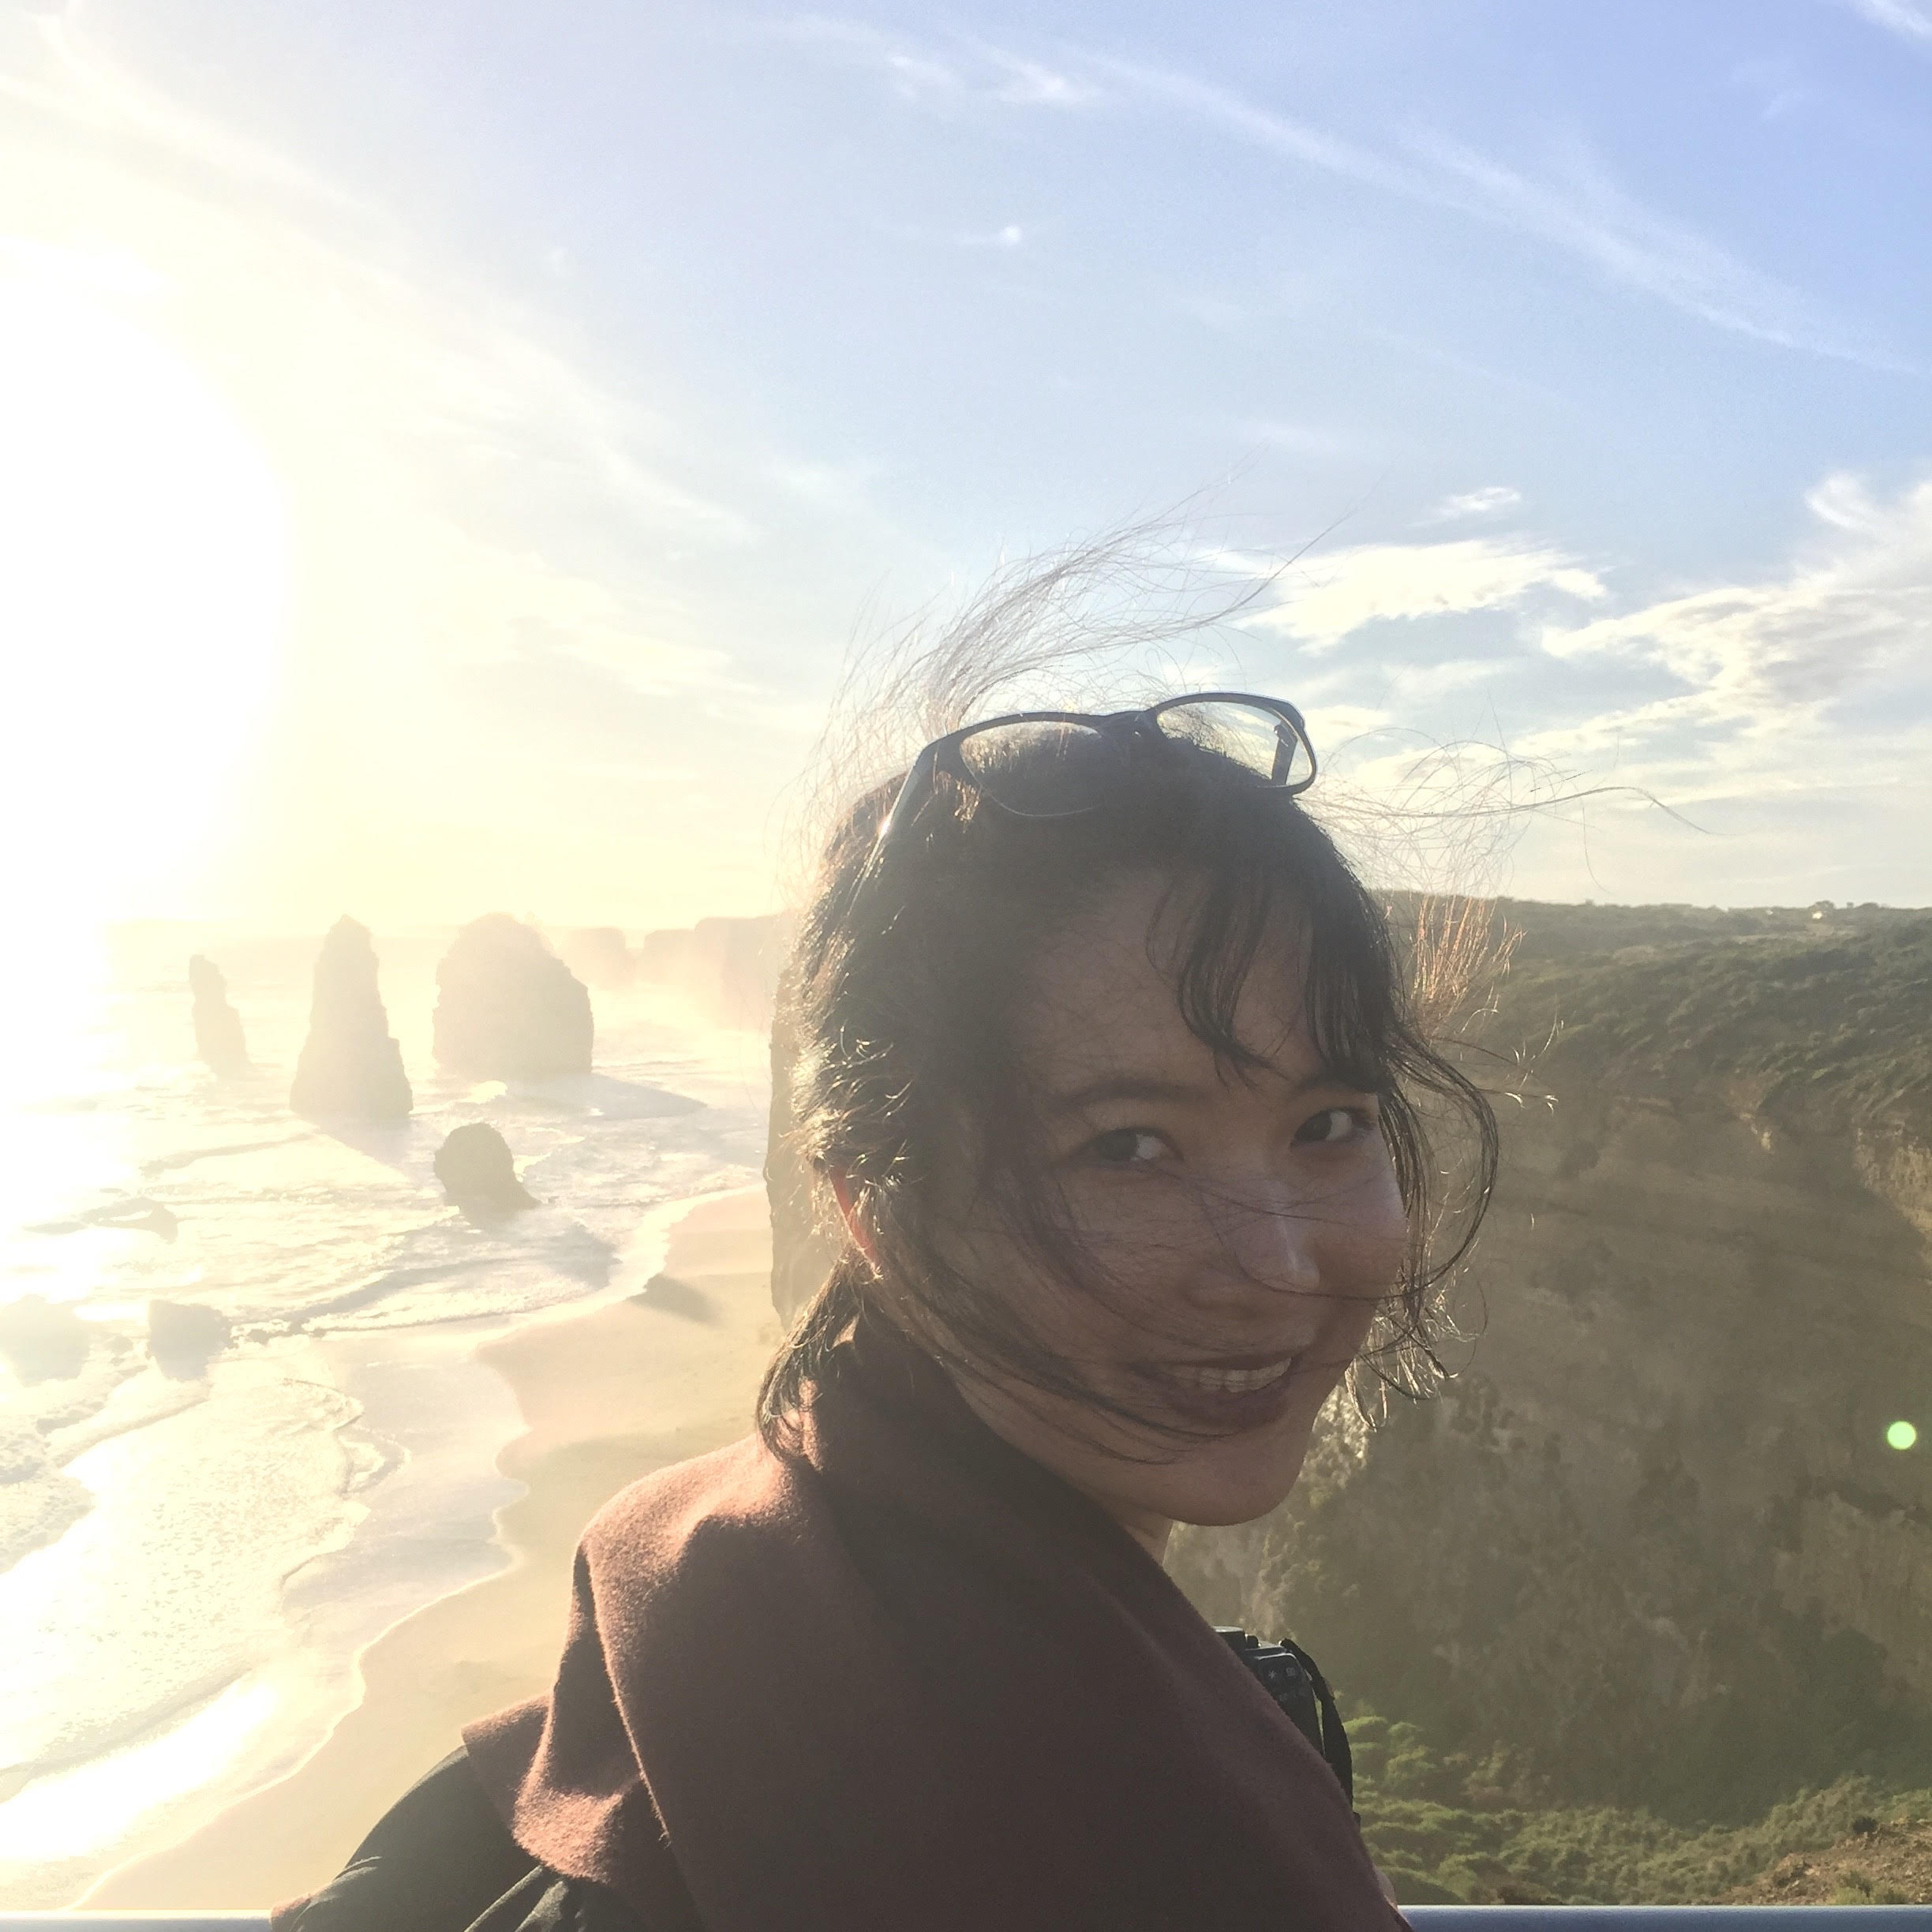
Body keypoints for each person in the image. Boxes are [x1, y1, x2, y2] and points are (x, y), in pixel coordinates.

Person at [279, 672, 1495, 1931]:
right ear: (874, 1204)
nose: (1285, 1263)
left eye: (1330, 1124)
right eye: (1128, 1146)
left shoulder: (695, 1565)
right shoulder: (1149, 1847)